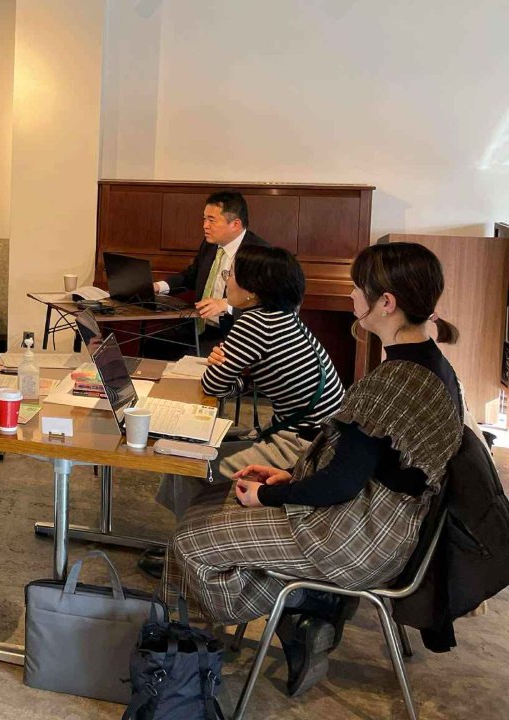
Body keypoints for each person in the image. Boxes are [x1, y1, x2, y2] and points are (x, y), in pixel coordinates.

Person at [163, 242, 464, 697]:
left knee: (191, 544)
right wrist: (291, 479)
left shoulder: (393, 381)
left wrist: (269, 495)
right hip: (384, 524)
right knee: (218, 511)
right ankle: (305, 607)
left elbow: (341, 483)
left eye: (358, 288)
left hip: (359, 537)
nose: (352, 296)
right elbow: (369, 466)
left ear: (386, 303)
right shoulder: (432, 366)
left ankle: (304, 606)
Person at [153, 245, 346, 520]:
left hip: (300, 445)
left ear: (252, 290)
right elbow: (249, 384)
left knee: (189, 462)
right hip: (321, 437)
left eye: (230, 274)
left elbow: (212, 386)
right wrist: (229, 377)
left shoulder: (254, 324)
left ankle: (195, 534)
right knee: (190, 446)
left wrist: (216, 365)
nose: (226, 281)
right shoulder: (286, 317)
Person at [148, 191, 269, 356]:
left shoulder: (259, 254)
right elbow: (191, 276)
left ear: (235, 224)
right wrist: (158, 286)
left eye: (211, 220)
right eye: (204, 219)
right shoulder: (210, 244)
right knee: (153, 343)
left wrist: (226, 305)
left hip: (232, 332)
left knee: (192, 356)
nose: (205, 226)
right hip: (198, 324)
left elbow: (265, 302)